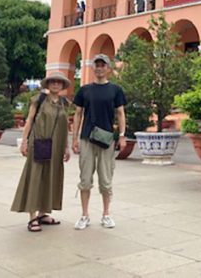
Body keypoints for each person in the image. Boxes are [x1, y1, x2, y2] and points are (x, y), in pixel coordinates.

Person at [72, 54, 127, 230]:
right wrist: (74, 138)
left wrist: (122, 135)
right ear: (92, 68)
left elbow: (120, 113)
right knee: (85, 178)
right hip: (87, 137)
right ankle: (84, 215)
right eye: (97, 65)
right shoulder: (85, 90)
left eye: (103, 65)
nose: (99, 68)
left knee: (106, 179)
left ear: (108, 68)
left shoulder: (115, 90)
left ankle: (106, 214)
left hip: (106, 139)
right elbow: (78, 114)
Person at [11, 72, 71, 232]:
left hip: (57, 146)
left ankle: (43, 213)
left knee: (51, 177)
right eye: (53, 82)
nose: (56, 84)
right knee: (36, 177)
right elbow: (30, 120)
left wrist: (66, 146)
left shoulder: (64, 102)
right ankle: (32, 217)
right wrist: (24, 141)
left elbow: (65, 127)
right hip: (39, 142)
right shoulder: (39, 99)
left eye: (59, 82)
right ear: (48, 84)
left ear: (62, 85)